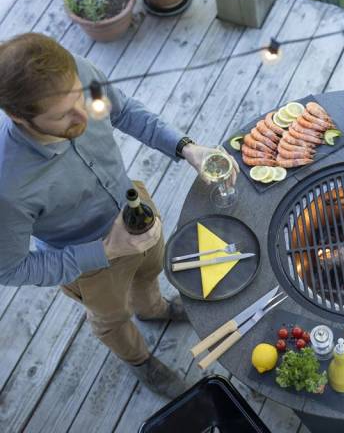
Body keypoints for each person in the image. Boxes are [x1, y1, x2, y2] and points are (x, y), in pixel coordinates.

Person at [0, 33, 236, 398]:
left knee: (150, 271)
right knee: (112, 319)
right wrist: (106, 251)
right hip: (89, 261)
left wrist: (187, 149)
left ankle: (154, 310)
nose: (87, 115)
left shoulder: (74, 72)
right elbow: (10, 268)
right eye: (64, 116)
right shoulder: (8, 186)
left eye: (81, 96)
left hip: (134, 209)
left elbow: (123, 111)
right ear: (19, 117)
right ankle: (141, 361)